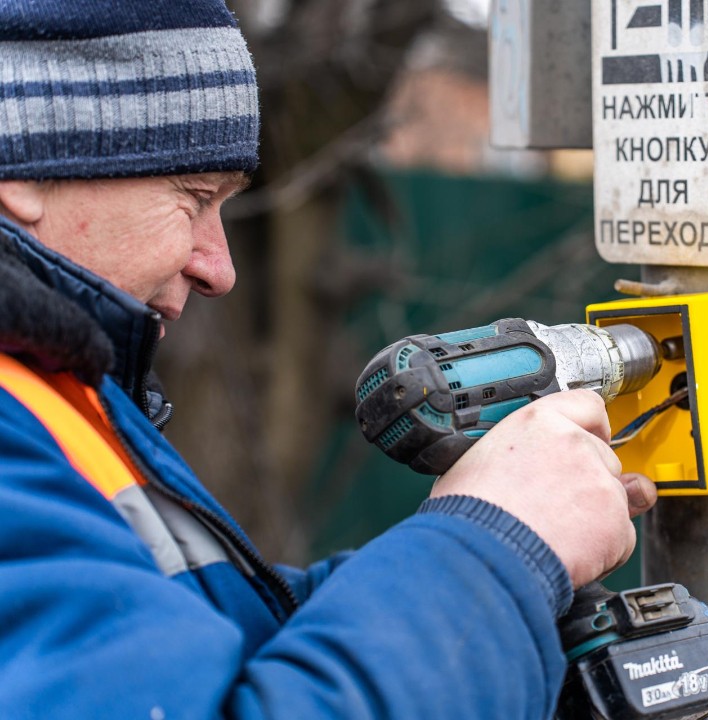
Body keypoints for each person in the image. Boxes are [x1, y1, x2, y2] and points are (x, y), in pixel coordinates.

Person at [0, 2, 657, 718]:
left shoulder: (49, 402)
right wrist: (497, 549)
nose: (219, 267)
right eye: (192, 199)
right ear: (27, 169)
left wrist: (512, 555)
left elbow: (227, 640)